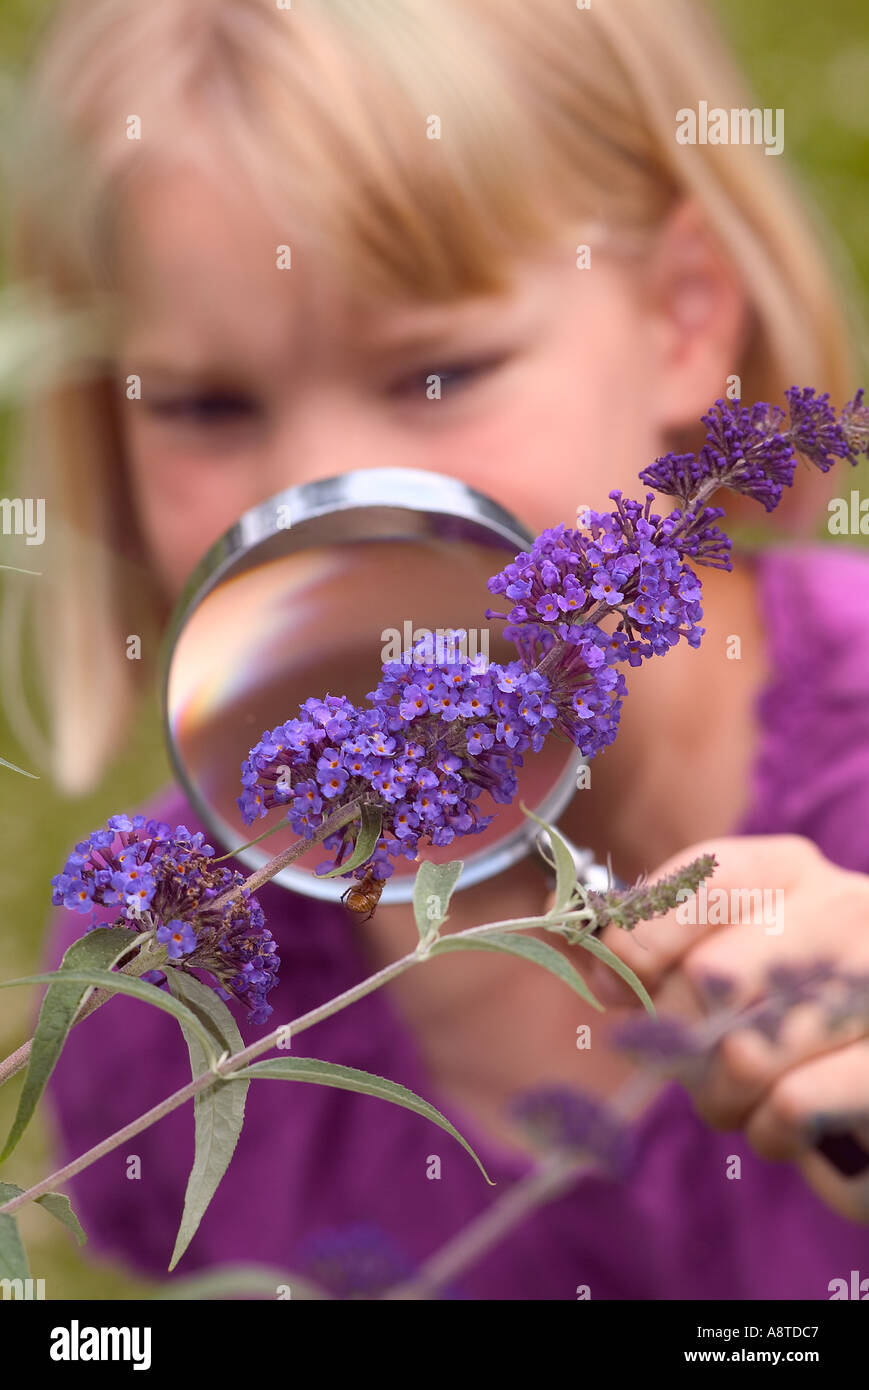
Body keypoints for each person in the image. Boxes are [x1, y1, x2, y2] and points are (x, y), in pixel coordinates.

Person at [5, 0, 869, 1297]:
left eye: (436, 374)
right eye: (205, 404)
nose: (322, 491)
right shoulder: (160, 985)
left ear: (685, 314)